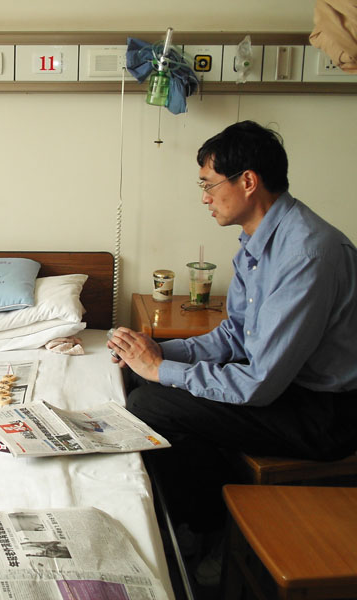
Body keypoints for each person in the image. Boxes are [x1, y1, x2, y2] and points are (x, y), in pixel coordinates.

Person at [107, 121, 357, 583]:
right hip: (286, 387)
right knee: (137, 377)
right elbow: (234, 337)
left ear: (248, 181)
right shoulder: (257, 243)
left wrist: (162, 370)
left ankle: (210, 529)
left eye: (208, 184)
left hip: (325, 412)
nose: (204, 197)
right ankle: (201, 510)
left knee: (150, 404)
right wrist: (158, 352)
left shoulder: (308, 254)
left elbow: (259, 383)